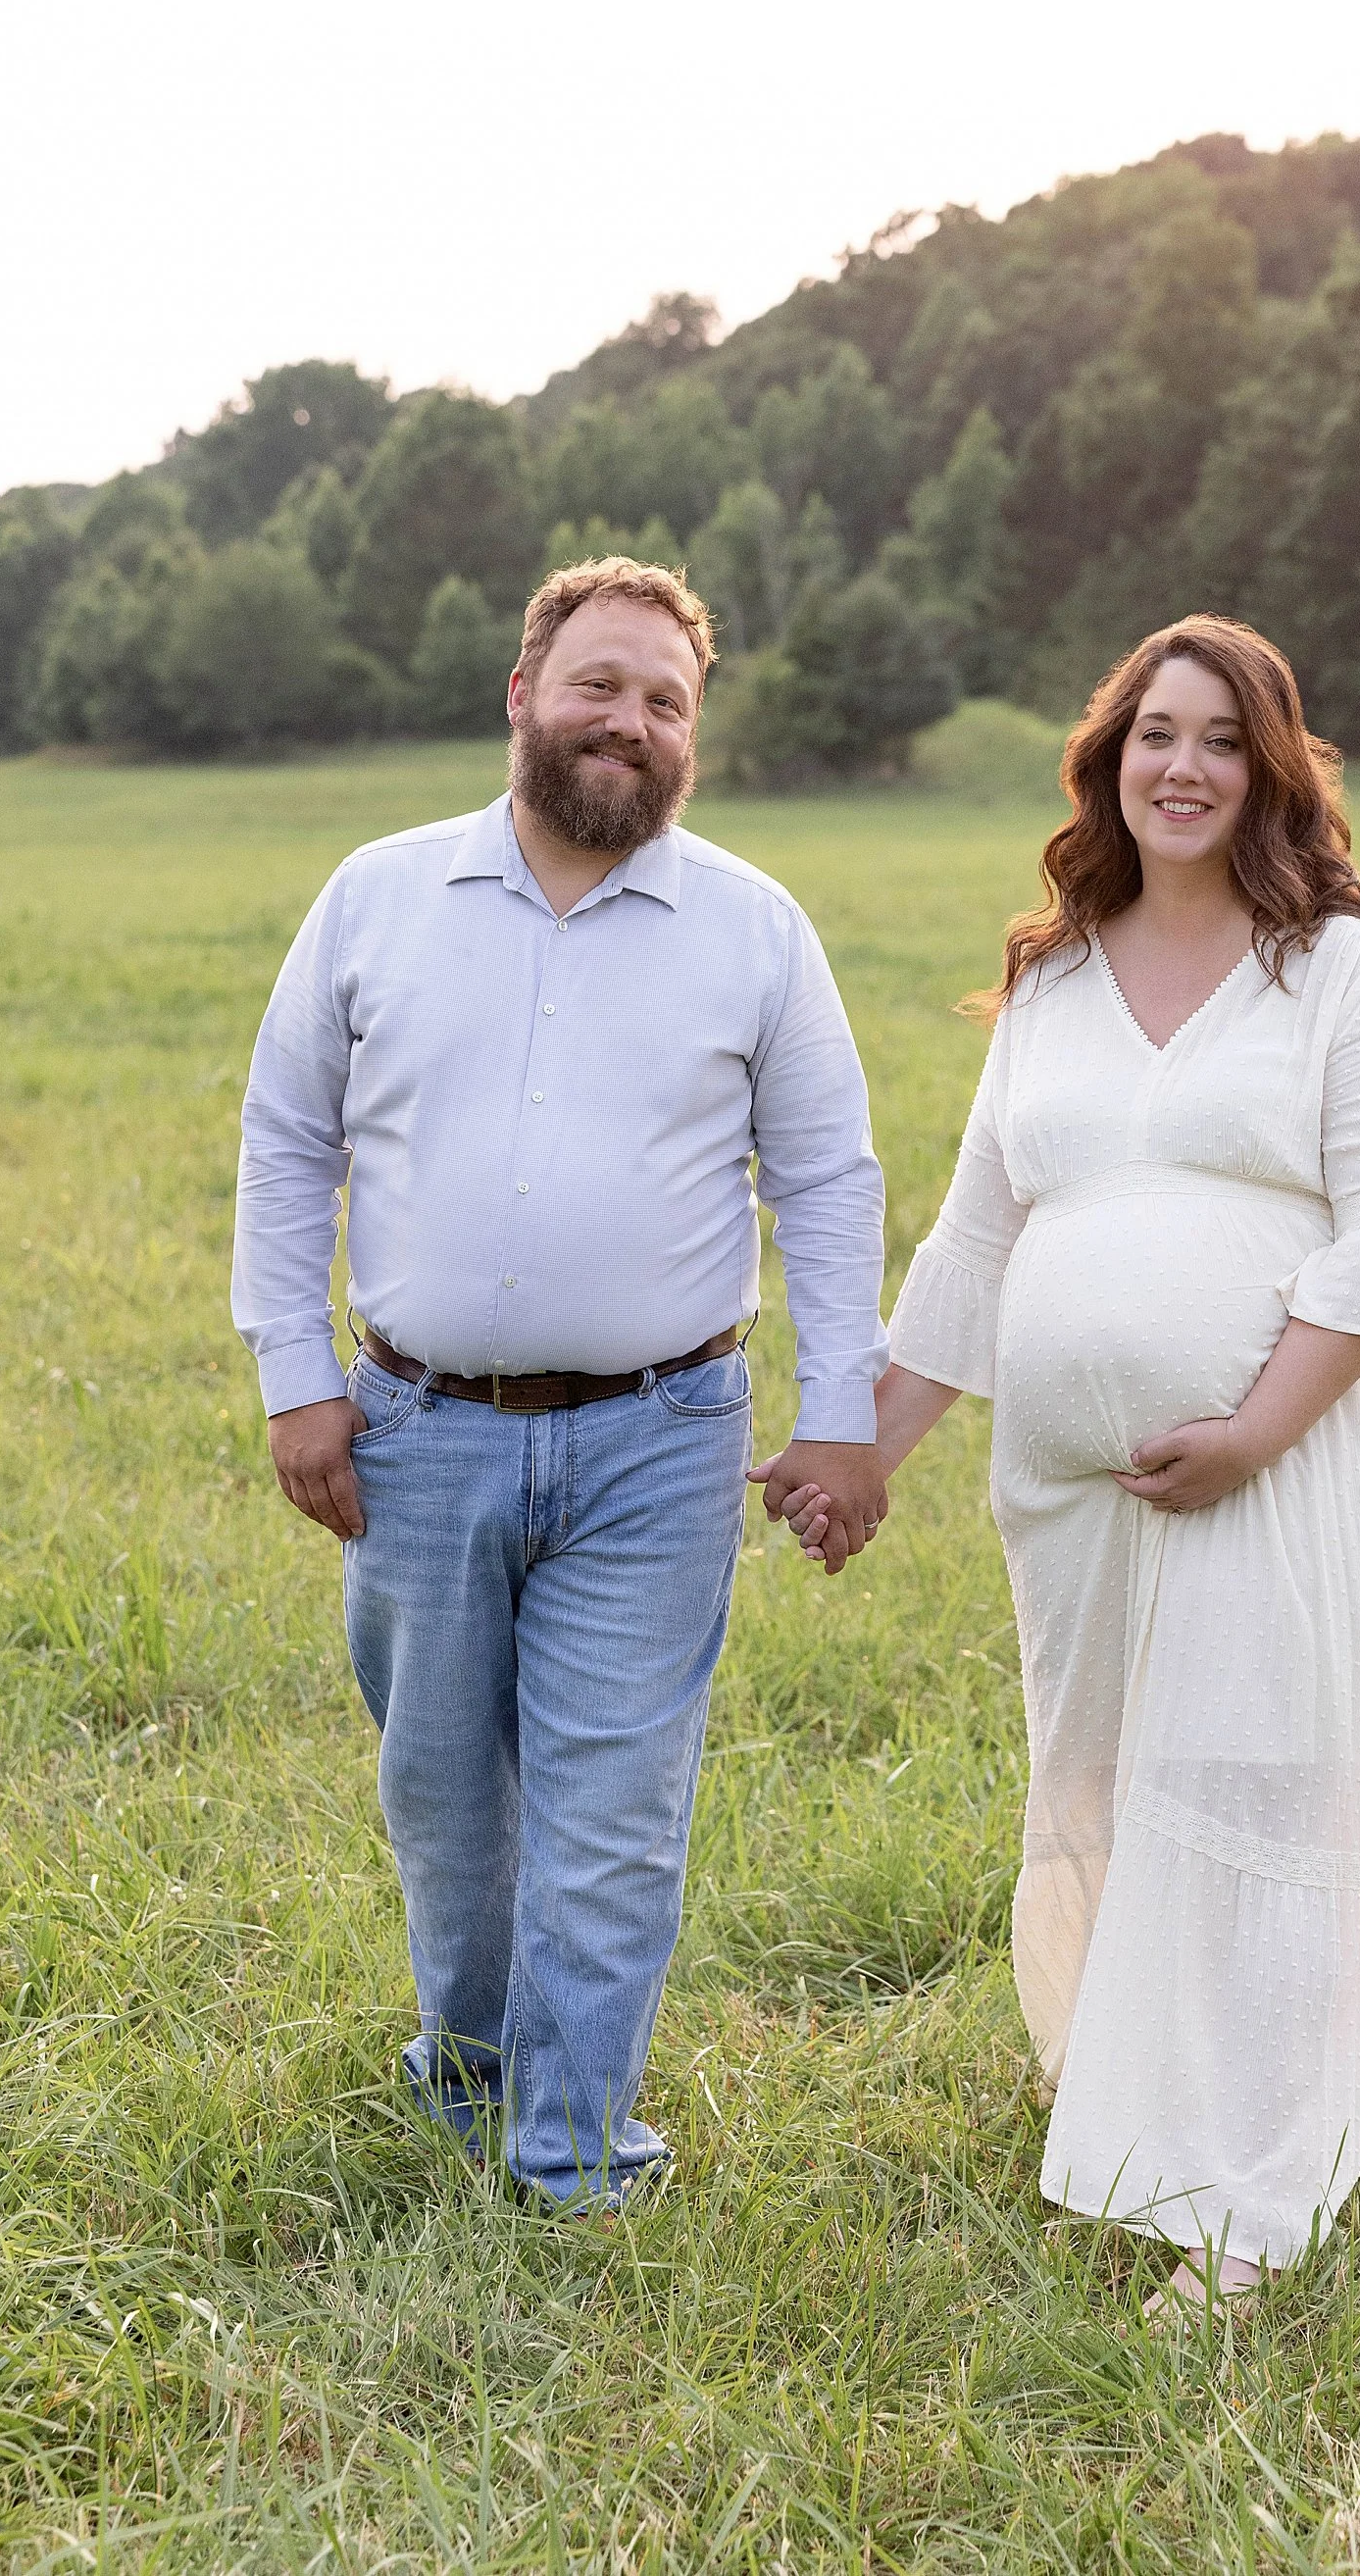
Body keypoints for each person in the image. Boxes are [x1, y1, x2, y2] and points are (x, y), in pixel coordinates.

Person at [780, 617, 1360, 2304]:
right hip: (1075, 1487)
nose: (1183, 765)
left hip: (1290, 1460)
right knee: (1101, 1785)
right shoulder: (1057, 980)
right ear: (1107, 762)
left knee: (1247, 1789)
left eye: (1221, 738)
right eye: (1153, 732)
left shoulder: (1339, 975)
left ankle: (1243, 2210)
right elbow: (972, 1242)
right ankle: (1126, 2116)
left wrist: (1250, 1431)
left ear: (1275, 768)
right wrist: (858, 1452)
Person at [231, 557, 888, 2205]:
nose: (631, 721)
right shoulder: (376, 896)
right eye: (602, 684)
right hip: (415, 1430)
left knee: (609, 1813)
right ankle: (465, 2070)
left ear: (694, 737)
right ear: (521, 694)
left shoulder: (751, 925)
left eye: (666, 701)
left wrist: (842, 1403)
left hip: (662, 1439)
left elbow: (828, 1178)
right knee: (447, 1810)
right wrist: (293, 1372)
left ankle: (571, 2148)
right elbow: (286, 1140)